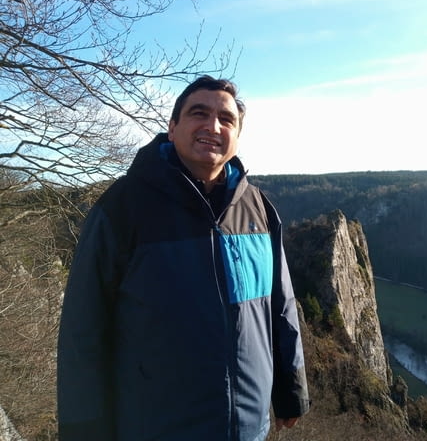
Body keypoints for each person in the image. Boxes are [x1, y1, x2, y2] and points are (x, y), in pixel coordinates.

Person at [57, 76, 310, 441]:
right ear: (172, 127)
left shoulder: (258, 208)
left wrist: (291, 389)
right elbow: (83, 326)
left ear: (237, 136)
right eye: (199, 113)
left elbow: (281, 305)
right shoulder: (123, 207)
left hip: (248, 428)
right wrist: (84, 429)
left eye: (226, 119)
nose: (213, 126)